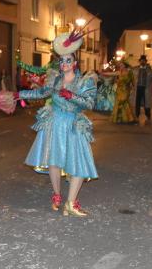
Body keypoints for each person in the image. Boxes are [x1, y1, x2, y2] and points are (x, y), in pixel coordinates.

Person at [17, 31, 98, 217]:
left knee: (78, 162)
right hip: (54, 122)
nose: (64, 64)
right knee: (54, 161)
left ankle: (71, 203)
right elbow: (41, 93)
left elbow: (89, 103)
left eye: (68, 60)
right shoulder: (54, 79)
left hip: (73, 124)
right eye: (62, 61)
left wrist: (73, 96)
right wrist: (19, 95)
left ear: (75, 63)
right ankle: (57, 194)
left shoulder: (85, 81)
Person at [131, 55, 152, 124]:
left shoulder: (149, 69)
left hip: (146, 88)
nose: (142, 62)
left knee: (146, 102)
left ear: (146, 61)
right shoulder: (135, 69)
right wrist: (132, 84)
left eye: (144, 61)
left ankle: (148, 115)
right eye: (141, 61)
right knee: (137, 102)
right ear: (139, 61)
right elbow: (131, 77)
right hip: (137, 88)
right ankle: (137, 115)